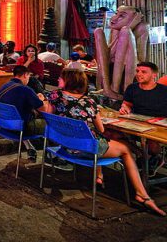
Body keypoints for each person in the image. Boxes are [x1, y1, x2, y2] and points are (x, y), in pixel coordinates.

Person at [48, 69, 165, 216]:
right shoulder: (88, 102)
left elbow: (50, 116)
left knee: (115, 139)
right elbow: (101, 129)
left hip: (65, 146)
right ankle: (142, 194)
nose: (58, 79)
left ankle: (101, 175)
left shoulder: (54, 96)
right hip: (86, 150)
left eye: (61, 78)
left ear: (69, 81)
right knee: (125, 150)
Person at [120, 62, 167, 170]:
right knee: (111, 134)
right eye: (137, 71)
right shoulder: (132, 88)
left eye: (144, 72)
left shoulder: (164, 91)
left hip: (157, 127)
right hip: (135, 124)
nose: (139, 74)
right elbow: (126, 104)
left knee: (151, 145)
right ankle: (141, 155)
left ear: (154, 75)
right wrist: (124, 108)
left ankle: (153, 157)